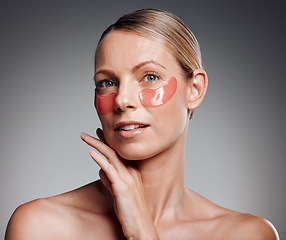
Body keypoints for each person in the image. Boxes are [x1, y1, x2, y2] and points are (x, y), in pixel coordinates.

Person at [5, 8, 279, 240]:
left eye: (149, 77)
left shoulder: (247, 234)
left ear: (194, 89)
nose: (122, 100)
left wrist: (143, 233)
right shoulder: (40, 226)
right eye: (107, 83)